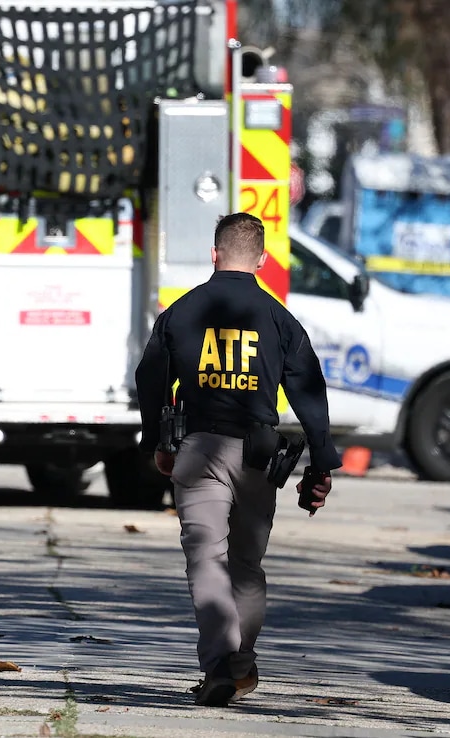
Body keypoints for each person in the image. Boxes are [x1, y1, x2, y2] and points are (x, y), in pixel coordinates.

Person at [133, 212, 342, 708]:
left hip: (198, 448)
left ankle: (223, 664)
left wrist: (159, 443)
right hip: (257, 455)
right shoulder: (280, 320)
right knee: (246, 565)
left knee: (206, 555)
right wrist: (322, 465)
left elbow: (151, 379)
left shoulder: (179, 313)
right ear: (263, 261)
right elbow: (310, 392)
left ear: (214, 253)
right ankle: (238, 663)